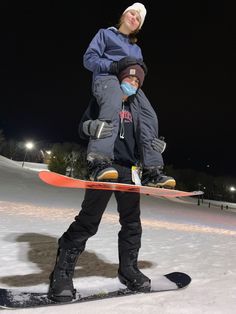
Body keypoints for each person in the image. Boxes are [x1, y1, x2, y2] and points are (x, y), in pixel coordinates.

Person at [48, 64, 175, 303]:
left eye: (137, 83)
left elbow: (144, 139)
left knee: (132, 224)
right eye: (129, 80)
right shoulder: (104, 100)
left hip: (130, 170)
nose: (133, 85)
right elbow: (82, 127)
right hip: (105, 169)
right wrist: (91, 126)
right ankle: (62, 275)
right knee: (88, 221)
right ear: (120, 80)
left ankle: (129, 270)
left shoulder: (139, 110)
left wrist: (155, 148)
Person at [83, 2, 175, 187]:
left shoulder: (136, 49)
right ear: (124, 15)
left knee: (149, 115)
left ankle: (152, 170)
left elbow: (136, 73)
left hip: (127, 83)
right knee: (112, 104)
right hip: (108, 78)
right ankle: (98, 162)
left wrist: (140, 74)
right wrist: (112, 66)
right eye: (132, 14)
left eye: (138, 19)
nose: (134, 18)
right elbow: (89, 59)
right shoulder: (105, 34)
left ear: (138, 27)